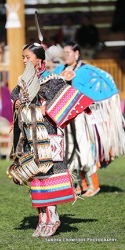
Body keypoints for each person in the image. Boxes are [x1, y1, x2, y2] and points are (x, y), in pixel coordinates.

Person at [8, 43, 78, 237]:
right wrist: (19, 103)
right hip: (30, 137)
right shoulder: (24, 82)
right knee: (35, 177)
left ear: (39, 61)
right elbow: (15, 97)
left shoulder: (52, 80)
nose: (24, 61)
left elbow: (61, 102)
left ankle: (53, 218)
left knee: (48, 176)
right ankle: (42, 219)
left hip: (48, 136)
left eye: (27, 57)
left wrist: (43, 108)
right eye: (23, 57)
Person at [53, 41, 125, 197]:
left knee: (84, 149)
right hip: (64, 118)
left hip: (82, 118)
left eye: (68, 53)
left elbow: (103, 82)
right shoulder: (58, 70)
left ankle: (94, 185)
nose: (65, 56)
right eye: (64, 53)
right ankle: (80, 185)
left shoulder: (87, 71)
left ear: (77, 54)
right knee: (69, 151)